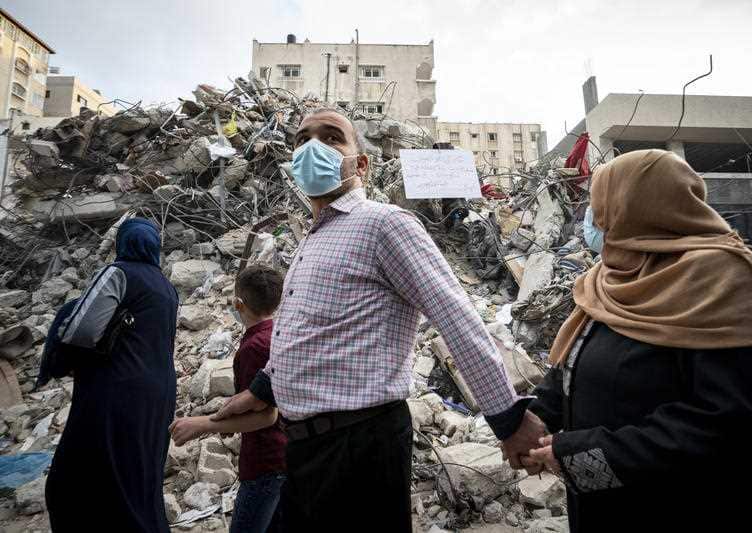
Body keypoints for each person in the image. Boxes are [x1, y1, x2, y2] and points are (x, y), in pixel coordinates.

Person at [212, 108, 545, 532]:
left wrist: (507, 419)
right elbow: (308, 333)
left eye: (331, 137)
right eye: (302, 139)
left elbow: (456, 318)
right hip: (303, 450)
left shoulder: (384, 224)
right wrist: (261, 389)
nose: (312, 147)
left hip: (359, 447)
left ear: (361, 163)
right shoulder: (313, 238)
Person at [518, 150, 752, 533]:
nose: (595, 220)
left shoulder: (724, 280)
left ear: (637, 206)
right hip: (615, 508)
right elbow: (576, 362)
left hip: (697, 510)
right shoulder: (610, 278)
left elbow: (746, 425)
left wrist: (585, 455)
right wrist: (532, 418)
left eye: (602, 206)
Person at [45, 217, 179, 532]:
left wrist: (61, 324)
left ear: (123, 243)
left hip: (116, 390)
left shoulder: (118, 272)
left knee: (72, 481)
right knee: (139, 476)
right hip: (159, 394)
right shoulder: (167, 287)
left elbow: (82, 330)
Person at [169, 265, 286, 533]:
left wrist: (202, 423)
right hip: (284, 457)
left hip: (264, 462)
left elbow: (266, 415)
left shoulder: (254, 347)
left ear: (239, 303)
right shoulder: (278, 335)